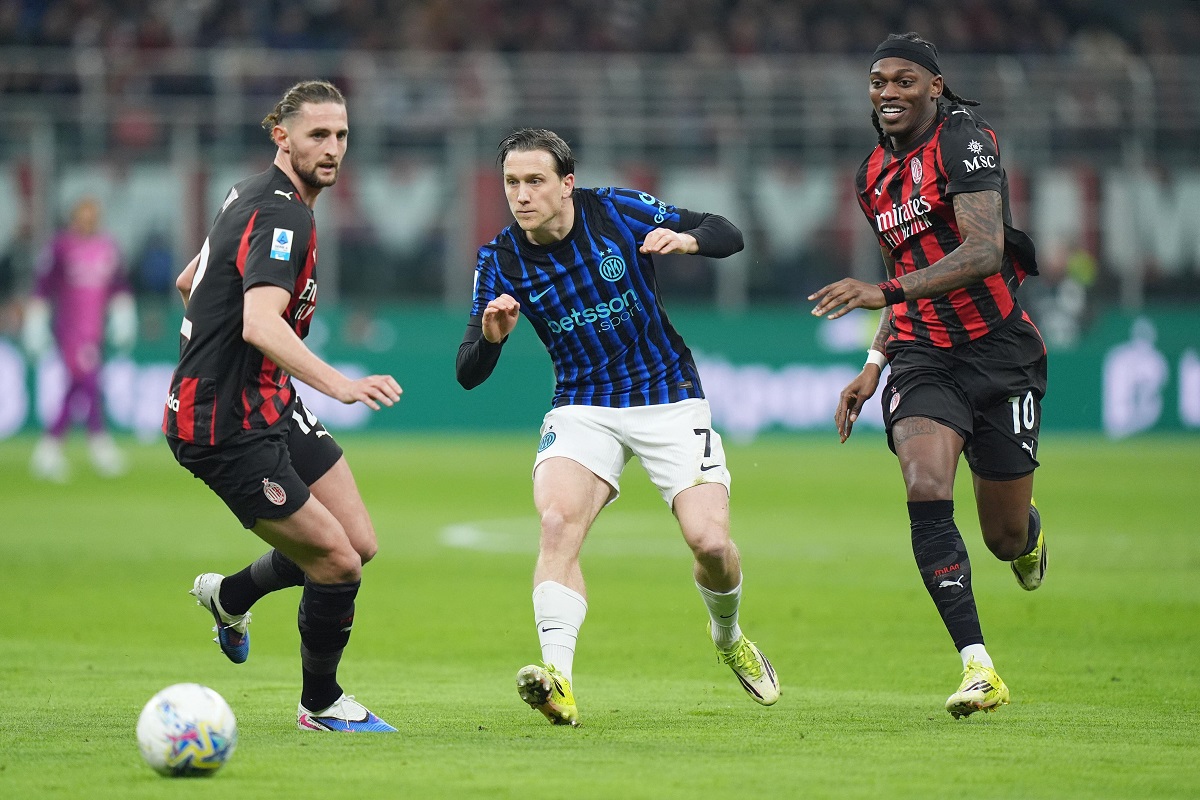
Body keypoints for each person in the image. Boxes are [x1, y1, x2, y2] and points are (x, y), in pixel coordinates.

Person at [456, 128, 779, 727]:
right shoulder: (499, 260)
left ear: (566, 184)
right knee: (557, 523)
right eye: (511, 182)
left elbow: (727, 233)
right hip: (582, 405)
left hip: (668, 395)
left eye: (535, 181)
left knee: (709, 543)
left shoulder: (615, 211)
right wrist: (493, 340)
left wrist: (686, 241)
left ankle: (728, 633)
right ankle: (558, 680)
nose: (521, 195)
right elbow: (468, 372)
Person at [808, 33, 1048, 719]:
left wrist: (884, 296)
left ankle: (1028, 536)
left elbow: (983, 250)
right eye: (879, 80)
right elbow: (903, 268)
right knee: (924, 485)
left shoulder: (964, 140)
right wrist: (874, 363)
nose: (888, 92)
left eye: (905, 80)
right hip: (922, 354)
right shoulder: (870, 176)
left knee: (1003, 538)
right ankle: (978, 667)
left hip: (1001, 353)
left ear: (935, 87)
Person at [163, 80, 402, 733]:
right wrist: (342, 385)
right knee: (336, 564)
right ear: (282, 136)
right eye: (317, 135)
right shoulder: (285, 214)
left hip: (267, 399)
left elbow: (190, 281)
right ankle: (320, 704)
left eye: (341, 135)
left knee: (358, 543)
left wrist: (223, 355)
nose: (332, 148)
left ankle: (229, 596)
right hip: (223, 425)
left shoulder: (249, 192)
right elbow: (261, 325)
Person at [23, 196, 136, 482]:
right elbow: (42, 285)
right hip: (70, 330)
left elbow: (119, 285)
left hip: (94, 331)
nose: (88, 220)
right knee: (88, 382)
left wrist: (123, 315)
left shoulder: (107, 248)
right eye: (83, 215)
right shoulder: (61, 247)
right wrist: (35, 320)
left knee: (78, 386)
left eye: (93, 215)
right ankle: (98, 443)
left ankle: (50, 449)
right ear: (74, 217)